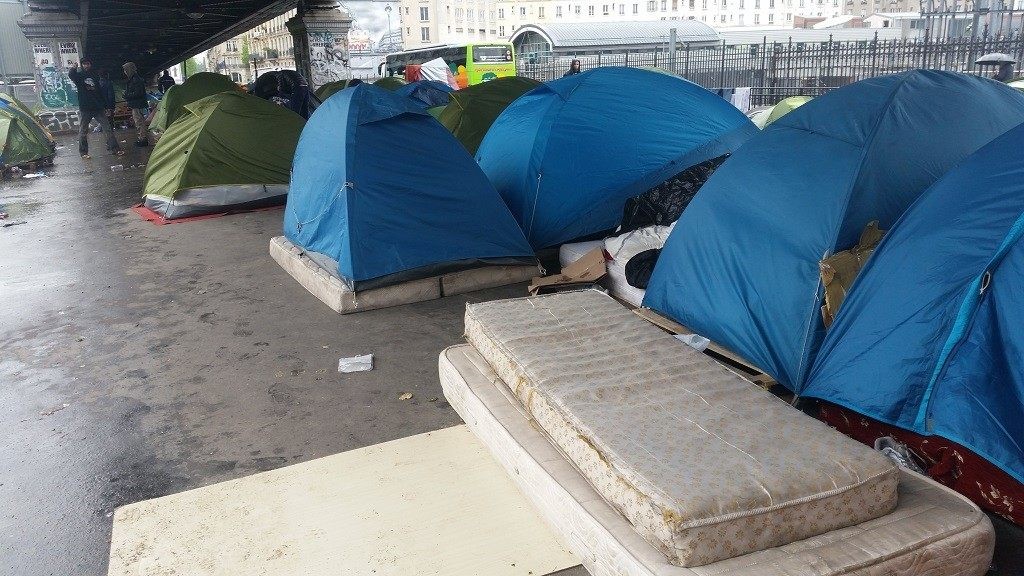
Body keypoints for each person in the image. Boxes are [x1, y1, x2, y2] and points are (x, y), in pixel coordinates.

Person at [68, 59, 123, 159]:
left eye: (88, 64)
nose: (86, 66)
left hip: (98, 107)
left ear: (90, 64)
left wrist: (106, 107)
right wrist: (73, 68)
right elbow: (71, 76)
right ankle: (83, 153)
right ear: (82, 65)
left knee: (107, 129)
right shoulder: (79, 76)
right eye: (84, 64)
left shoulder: (95, 76)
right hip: (85, 108)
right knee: (83, 131)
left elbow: (100, 92)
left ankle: (115, 149)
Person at [123, 61, 150, 147]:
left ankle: (143, 139)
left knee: (139, 122)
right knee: (139, 121)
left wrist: (127, 95)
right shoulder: (134, 79)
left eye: (125, 70)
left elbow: (138, 93)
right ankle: (142, 138)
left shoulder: (135, 80)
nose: (125, 72)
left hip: (137, 104)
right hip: (137, 104)